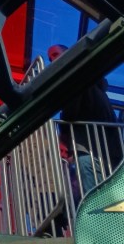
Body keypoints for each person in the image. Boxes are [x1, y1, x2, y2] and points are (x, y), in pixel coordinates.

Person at [49, 43, 124, 196]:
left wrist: (64, 133)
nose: (52, 62)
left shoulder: (77, 75)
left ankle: (98, 217)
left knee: (94, 190)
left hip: (92, 149)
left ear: (69, 53)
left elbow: (70, 110)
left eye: (55, 55)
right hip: (108, 149)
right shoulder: (94, 84)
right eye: (50, 59)